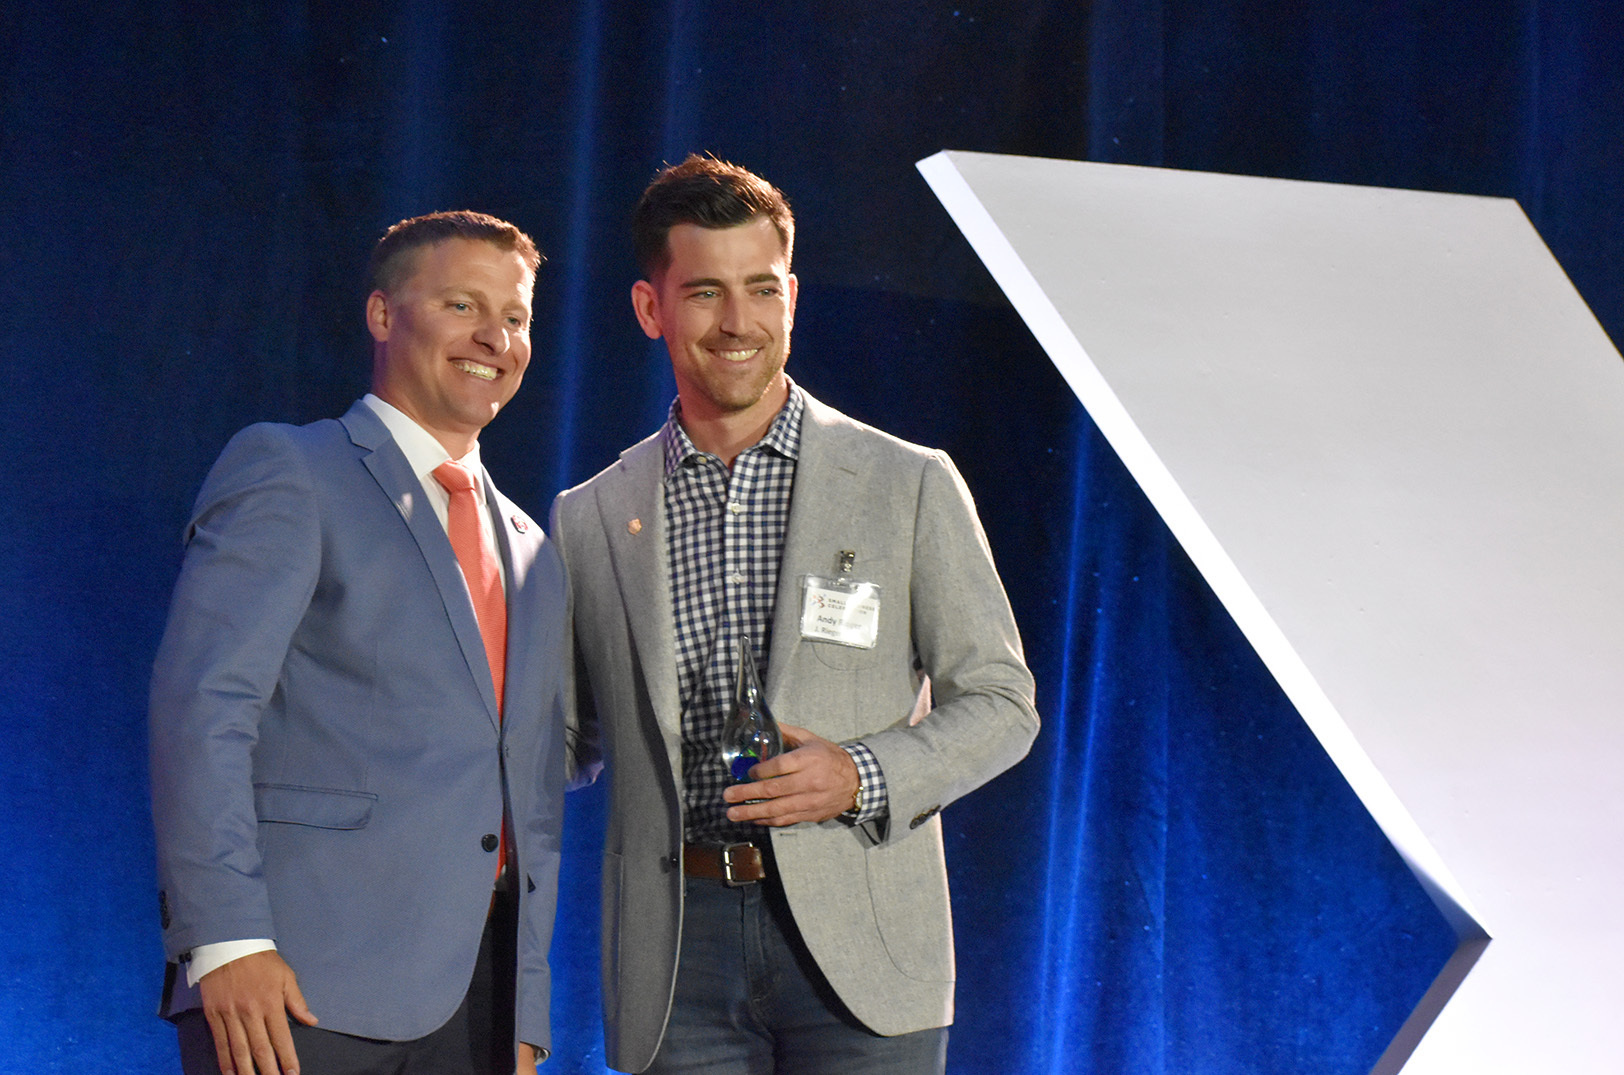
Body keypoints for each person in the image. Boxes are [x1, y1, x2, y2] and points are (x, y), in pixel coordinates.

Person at [550, 155, 1040, 1074]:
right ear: (652, 309)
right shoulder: (590, 515)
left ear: (793, 296)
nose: (738, 322)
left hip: (862, 944)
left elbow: (1004, 703)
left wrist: (863, 772)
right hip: (676, 958)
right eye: (703, 292)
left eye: (759, 288)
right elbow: (569, 738)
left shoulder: (909, 483)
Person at [149, 210, 567, 1075]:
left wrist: (527, 1009)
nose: (495, 336)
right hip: (294, 990)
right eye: (462, 304)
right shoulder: (292, 469)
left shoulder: (533, 546)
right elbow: (204, 708)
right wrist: (224, 941)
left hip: (475, 1009)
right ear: (383, 315)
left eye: (517, 317)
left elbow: (530, 777)